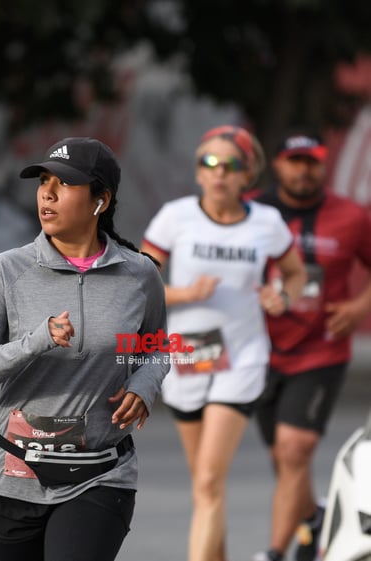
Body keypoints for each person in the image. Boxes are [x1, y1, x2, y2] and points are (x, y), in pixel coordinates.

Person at [0, 137, 170, 561]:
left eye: (65, 184)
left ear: (100, 201)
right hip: (11, 474)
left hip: (100, 474)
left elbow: (159, 343)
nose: (47, 193)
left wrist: (144, 383)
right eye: (43, 181)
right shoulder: (9, 270)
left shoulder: (138, 274)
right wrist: (34, 342)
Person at [140, 125, 307, 561]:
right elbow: (138, 280)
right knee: (204, 487)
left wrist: (283, 296)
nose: (218, 174)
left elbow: (295, 273)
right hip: (187, 356)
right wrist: (183, 294)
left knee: (210, 481)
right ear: (198, 172)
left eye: (229, 165)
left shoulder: (266, 224)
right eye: (208, 163)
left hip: (243, 359)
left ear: (247, 174)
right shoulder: (175, 217)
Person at [250, 132, 371, 561]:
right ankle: (315, 520)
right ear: (279, 165)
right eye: (295, 161)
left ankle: (274, 552)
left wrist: (359, 307)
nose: (304, 170)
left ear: (323, 165)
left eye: (312, 162)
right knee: (286, 462)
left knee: (294, 448)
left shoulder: (353, 216)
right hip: (259, 352)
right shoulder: (251, 211)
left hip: (321, 351)